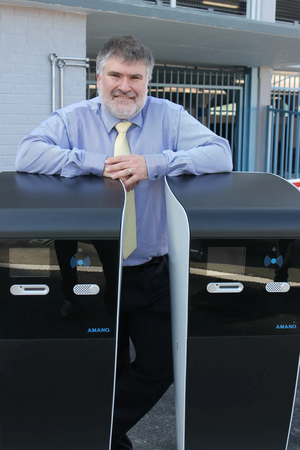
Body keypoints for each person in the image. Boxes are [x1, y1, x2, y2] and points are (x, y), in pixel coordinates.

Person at [16, 35, 233, 449]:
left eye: (135, 77)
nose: (124, 85)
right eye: (115, 74)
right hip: (97, 272)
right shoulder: (72, 119)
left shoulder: (169, 117)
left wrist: (155, 163)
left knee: (160, 364)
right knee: (103, 367)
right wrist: (96, 163)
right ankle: (110, 440)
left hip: (153, 272)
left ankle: (98, 429)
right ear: (99, 77)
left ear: (148, 81)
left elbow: (220, 153)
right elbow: (28, 155)